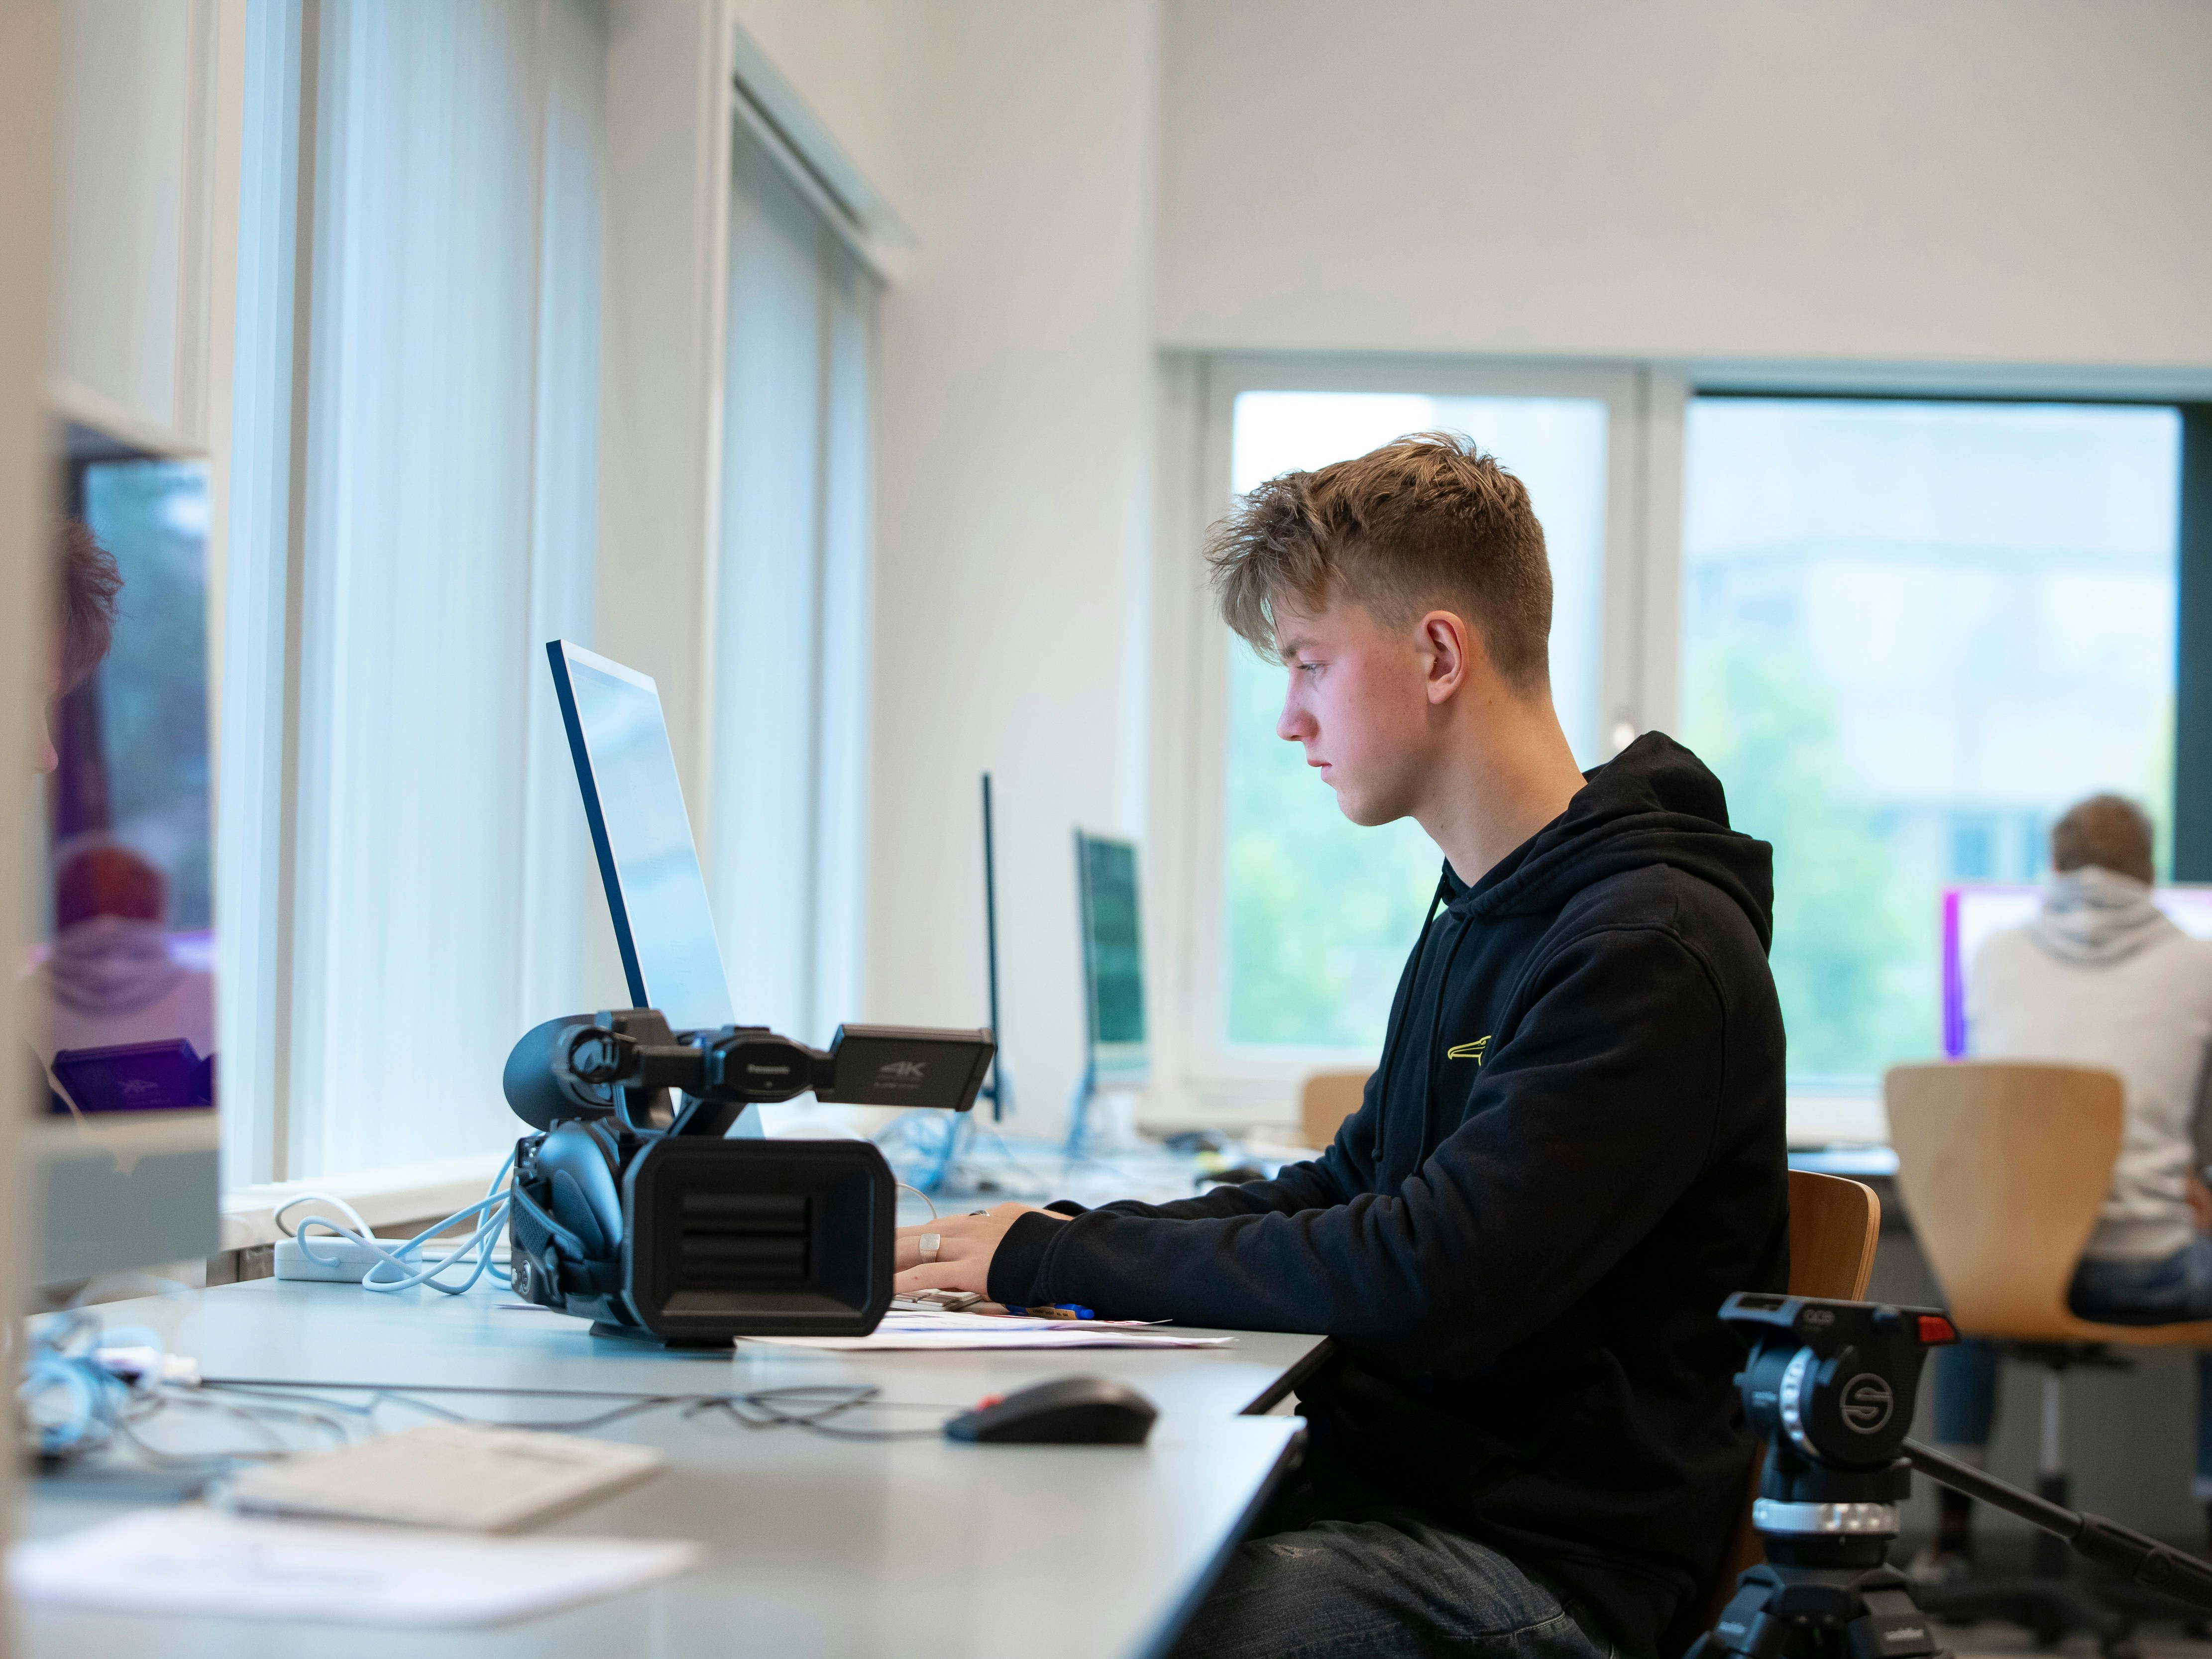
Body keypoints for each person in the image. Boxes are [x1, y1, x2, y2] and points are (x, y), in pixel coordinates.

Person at [895, 434, 1788, 1659]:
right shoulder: (1486, 905)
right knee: (1007, 1549)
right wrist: (1041, 1244)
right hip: (1405, 1495)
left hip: (1541, 1572)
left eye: (1310, 664)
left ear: (1435, 654)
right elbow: (1352, 1186)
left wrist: (1056, 1257)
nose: (1286, 717)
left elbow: (1428, 1274)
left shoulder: (1646, 946)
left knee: (1091, 1618)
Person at [1917, 794, 2212, 1580]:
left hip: (2004, 1266)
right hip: (2137, 1267)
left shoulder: (1996, 954)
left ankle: (1950, 1541)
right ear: (2149, 870)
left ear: (2054, 866)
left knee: (1969, 1283)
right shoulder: (2199, 963)